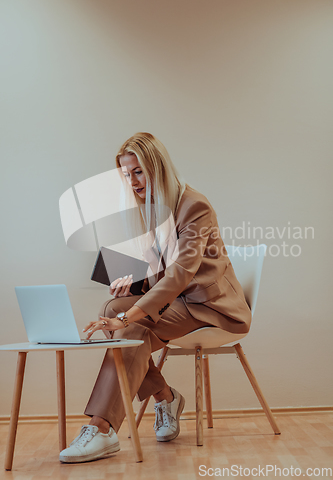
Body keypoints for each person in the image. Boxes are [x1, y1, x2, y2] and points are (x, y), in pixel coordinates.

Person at [59, 132, 252, 463]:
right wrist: (132, 287)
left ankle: (102, 427)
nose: (132, 181)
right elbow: (157, 267)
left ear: (157, 167)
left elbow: (181, 273)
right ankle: (164, 396)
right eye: (126, 174)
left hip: (209, 308)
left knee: (132, 327)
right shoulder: (149, 207)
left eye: (138, 172)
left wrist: (127, 317)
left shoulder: (195, 205)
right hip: (179, 302)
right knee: (111, 306)